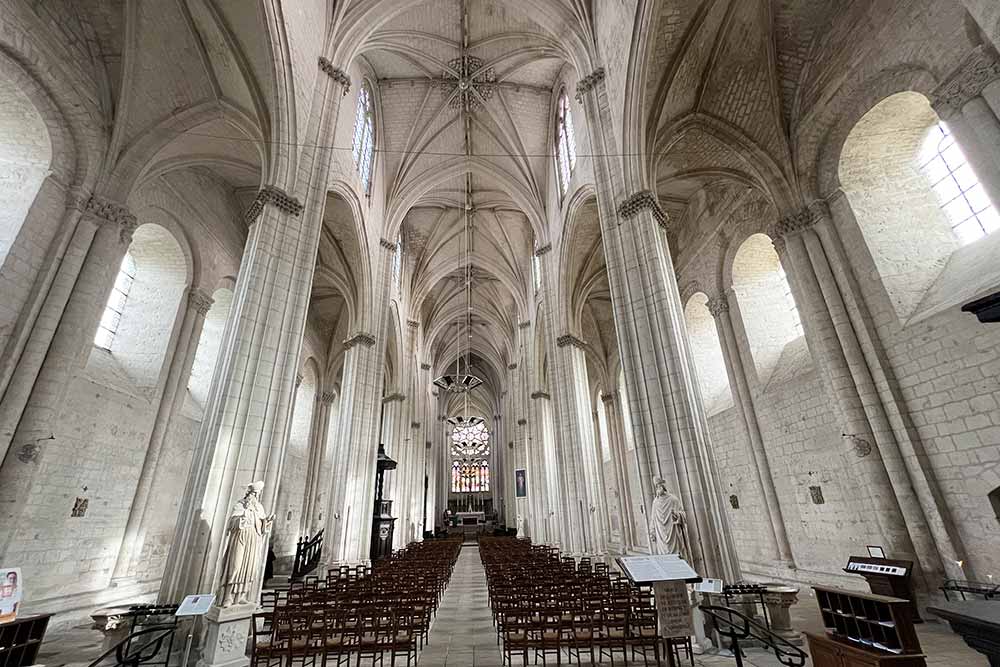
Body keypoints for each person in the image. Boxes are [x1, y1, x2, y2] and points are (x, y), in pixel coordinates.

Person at [217, 481, 274, 607]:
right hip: (241, 537)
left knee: (249, 568)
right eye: (254, 493)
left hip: (253, 539)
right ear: (248, 493)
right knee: (235, 566)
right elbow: (231, 523)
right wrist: (242, 517)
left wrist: (267, 521)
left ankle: (240, 595)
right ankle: (227, 596)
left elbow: (262, 526)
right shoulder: (240, 505)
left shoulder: (259, 508)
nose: (255, 496)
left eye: (257, 494)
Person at [649, 477, 691, 559]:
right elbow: (653, 519)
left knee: (677, 556)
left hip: (673, 534)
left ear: (663, 487)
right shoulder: (655, 502)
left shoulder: (673, 500)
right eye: (656, 486)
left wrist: (677, 515)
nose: (658, 488)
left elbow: (683, 514)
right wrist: (652, 531)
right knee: (664, 558)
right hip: (661, 536)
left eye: (659, 485)